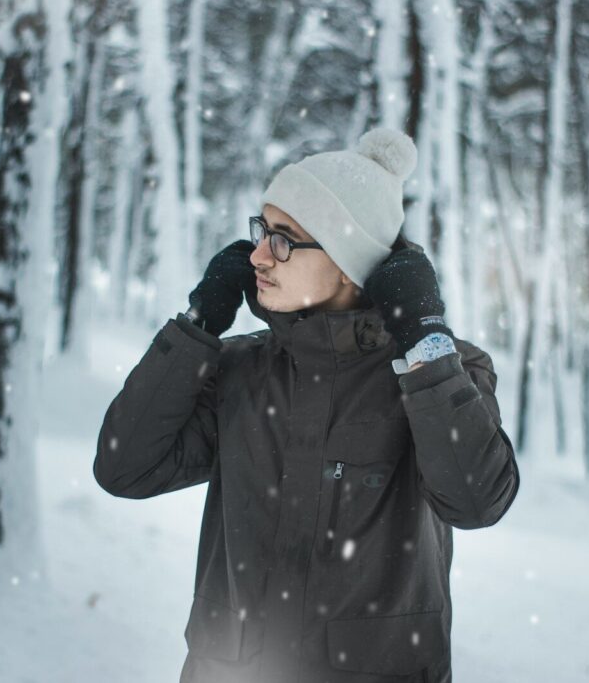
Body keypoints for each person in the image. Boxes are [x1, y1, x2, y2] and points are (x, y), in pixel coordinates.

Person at [93, 127, 520, 683]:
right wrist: (200, 322)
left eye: (284, 239)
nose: (257, 256)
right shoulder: (239, 370)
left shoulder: (440, 373)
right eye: (262, 231)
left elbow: (477, 502)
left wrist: (426, 344)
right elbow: (124, 466)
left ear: (348, 261)